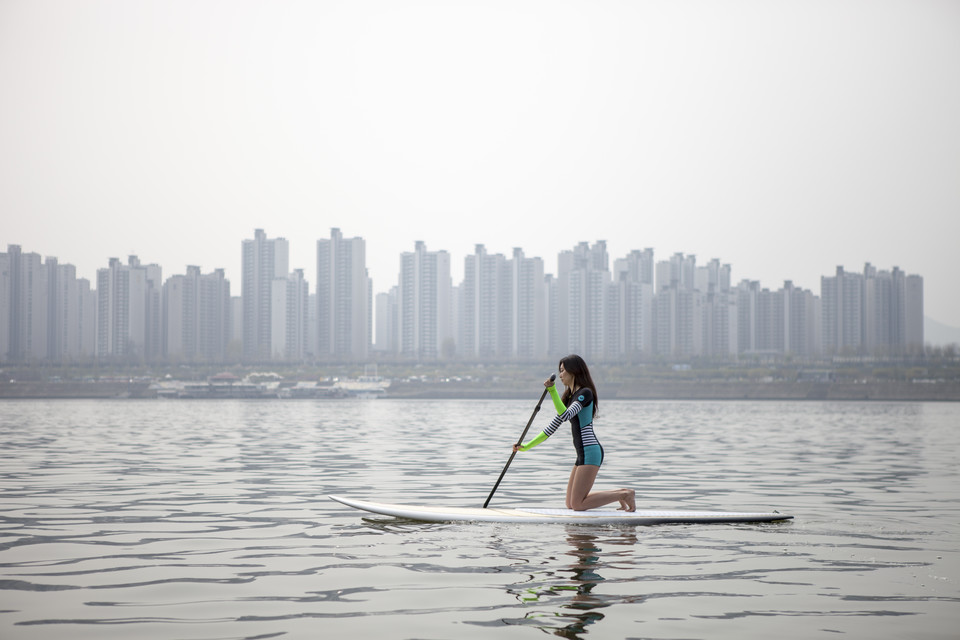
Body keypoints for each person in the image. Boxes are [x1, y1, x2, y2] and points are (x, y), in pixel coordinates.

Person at [513, 354, 636, 511]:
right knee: (570, 504)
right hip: (581, 454)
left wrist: (552, 391)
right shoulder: (569, 398)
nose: (560, 375)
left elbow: (566, 415)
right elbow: (551, 428)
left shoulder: (585, 393)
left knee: (578, 505)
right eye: (560, 370)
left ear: (574, 371)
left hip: (591, 451)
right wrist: (526, 446)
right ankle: (622, 493)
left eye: (563, 370)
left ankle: (624, 494)